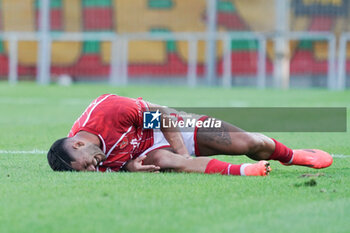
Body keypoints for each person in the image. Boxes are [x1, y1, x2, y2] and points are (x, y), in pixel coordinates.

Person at [47, 94, 333, 176]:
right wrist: (130, 167)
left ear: (79, 143)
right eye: (87, 171)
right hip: (150, 151)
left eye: (86, 164)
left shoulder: (108, 112)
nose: (93, 168)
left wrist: (183, 151)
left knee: (251, 142)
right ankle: (248, 171)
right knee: (168, 160)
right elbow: (121, 163)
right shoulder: (93, 160)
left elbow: (164, 117)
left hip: (172, 125)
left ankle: (292, 156)